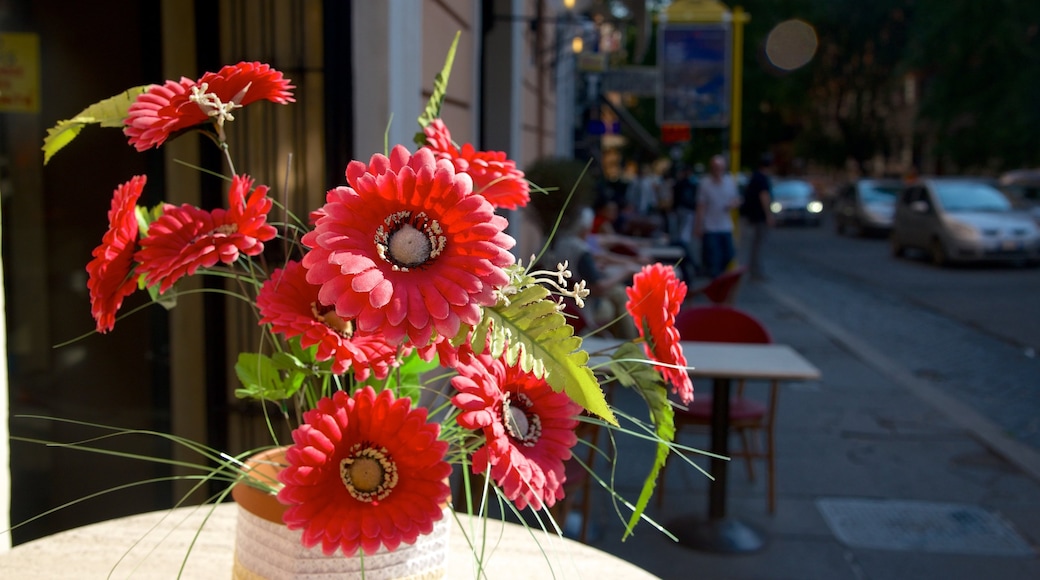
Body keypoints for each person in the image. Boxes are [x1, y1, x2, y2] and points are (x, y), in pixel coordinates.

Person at [694, 155, 741, 279]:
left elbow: (737, 198)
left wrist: (733, 204)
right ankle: (715, 282)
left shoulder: (729, 182)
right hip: (710, 227)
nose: (718, 170)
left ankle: (720, 277)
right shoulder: (705, 184)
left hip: (725, 226)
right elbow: (701, 206)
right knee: (714, 258)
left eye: (720, 168)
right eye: (715, 168)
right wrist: (698, 225)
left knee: (729, 255)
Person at [741, 154, 775, 281]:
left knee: (756, 244)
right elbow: (764, 196)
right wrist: (769, 214)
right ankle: (755, 271)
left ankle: (754, 270)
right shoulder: (762, 179)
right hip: (759, 217)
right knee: (759, 245)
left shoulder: (755, 177)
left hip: (753, 216)